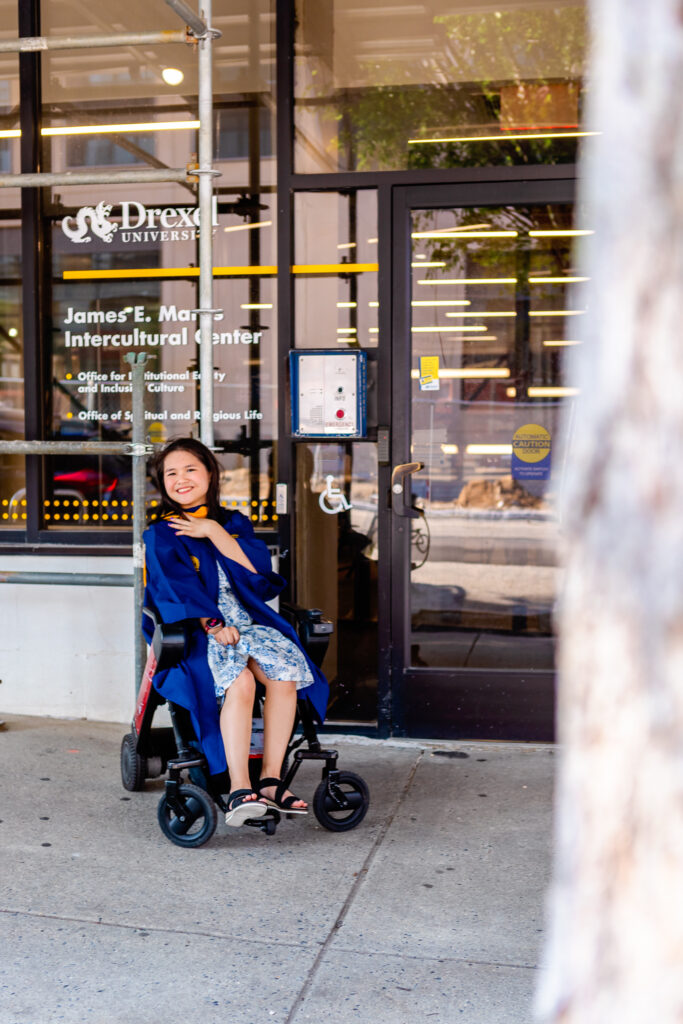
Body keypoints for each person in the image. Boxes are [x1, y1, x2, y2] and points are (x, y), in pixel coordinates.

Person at [142, 437, 329, 827]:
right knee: (241, 683)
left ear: (210, 474)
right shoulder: (161, 534)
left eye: (190, 469)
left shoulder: (233, 525)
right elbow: (173, 590)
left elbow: (260, 579)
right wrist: (211, 623)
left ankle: (272, 782)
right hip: (197, 635)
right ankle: (240, 787)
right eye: (171, 473)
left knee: (284, 673)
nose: (181, 479)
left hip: (247, 628)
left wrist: (212, 530)